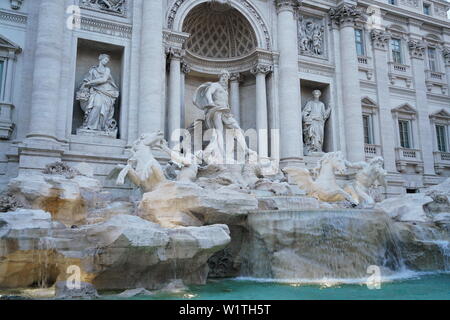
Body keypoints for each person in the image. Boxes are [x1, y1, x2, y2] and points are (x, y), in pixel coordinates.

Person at [76, 54, 119, 132]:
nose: (106, 62)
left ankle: (100, 127)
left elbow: (104, 79)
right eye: (105, 60)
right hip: (95, 91)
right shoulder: (93, 70)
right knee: (97, 106)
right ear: (100, 59)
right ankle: (90, 126)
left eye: (107, 61)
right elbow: (87, 79)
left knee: (102, 109)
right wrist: (84, 85)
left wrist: (90, 82)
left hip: (106, 91)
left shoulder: (107, 69)